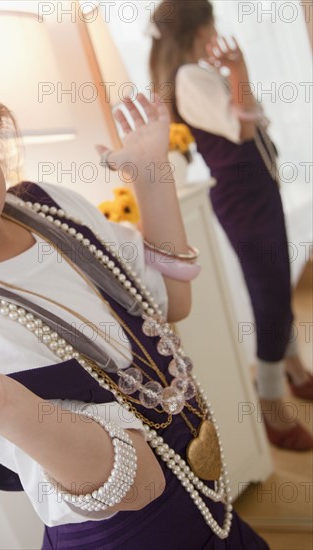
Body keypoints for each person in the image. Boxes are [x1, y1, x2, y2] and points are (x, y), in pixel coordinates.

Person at [0, 23, 270, 549]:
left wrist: (151, 172)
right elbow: (139, 485)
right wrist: (2, 401)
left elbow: (170, 303)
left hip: (212, 514)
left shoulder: (46, 206)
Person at [149, 0, 313, 451]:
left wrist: (236, 75)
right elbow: (241, 130)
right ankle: (272, 401)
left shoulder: (198, 73)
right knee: (271, 292)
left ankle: (295, 370)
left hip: (255, 192)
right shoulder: (190, 77)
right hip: (245, 200)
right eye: (211, 25)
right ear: (201, 28)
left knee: (276, 282)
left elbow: (252, 116)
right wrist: (238, 69)